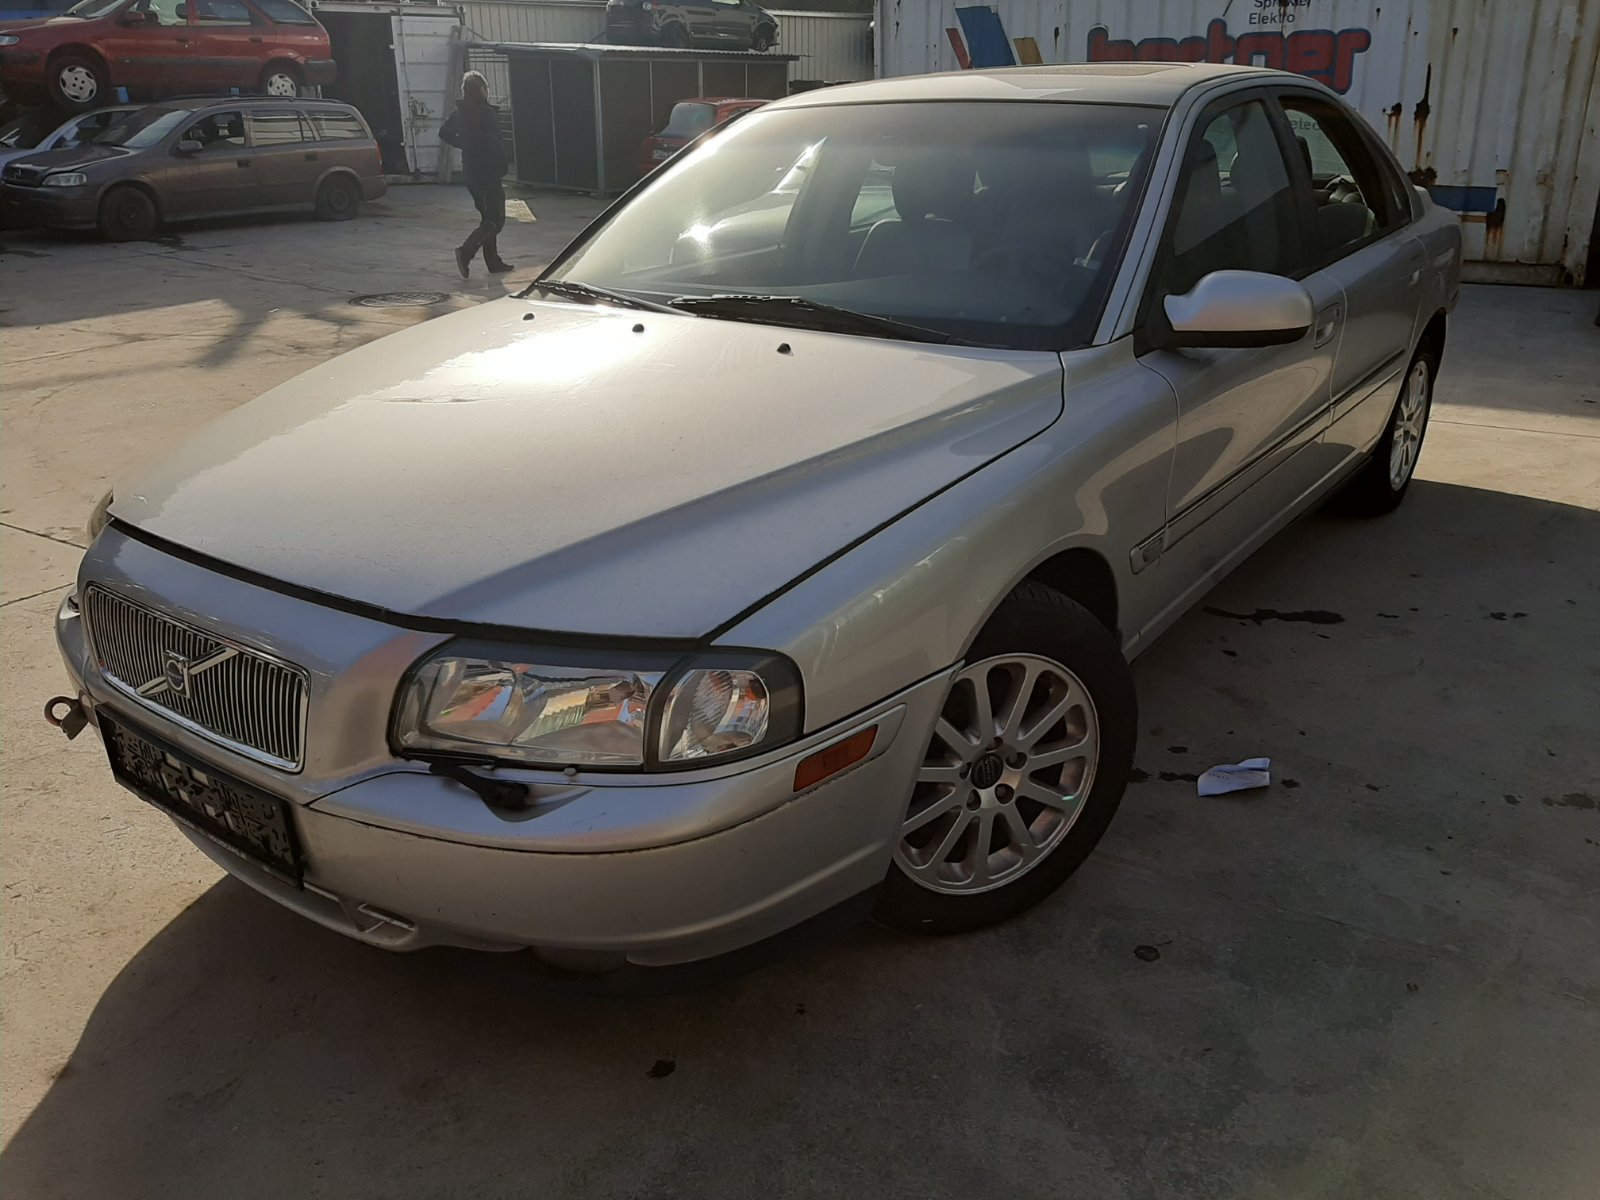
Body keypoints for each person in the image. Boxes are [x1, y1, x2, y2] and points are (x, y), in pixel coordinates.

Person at [439, 71, 512, 277]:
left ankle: (493, 262)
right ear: (480, 90)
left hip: (471, 172)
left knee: (488, 218)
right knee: (496, 219)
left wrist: (465, 144)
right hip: (487, 172)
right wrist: (502, 166)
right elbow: (495, 144)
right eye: (485, 87)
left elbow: (444, 132)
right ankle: (466, 251)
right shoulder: (486, 113)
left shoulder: (460, 112)